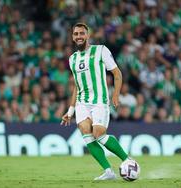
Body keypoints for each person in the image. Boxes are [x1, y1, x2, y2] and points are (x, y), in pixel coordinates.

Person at [61, 23, 132, 180]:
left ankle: (127, 160)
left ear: (88, 35)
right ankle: (108, 171)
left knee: (98, 133)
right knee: (86, 132)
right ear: (73, 37)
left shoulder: (101, 50)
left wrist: (116, 94)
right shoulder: (72, 59)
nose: (78, 36)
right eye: (76, 34)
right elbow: (77, 86)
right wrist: (70, 111)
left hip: (100, 100)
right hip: (82, 102)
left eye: (82, 33)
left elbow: (117, 73)